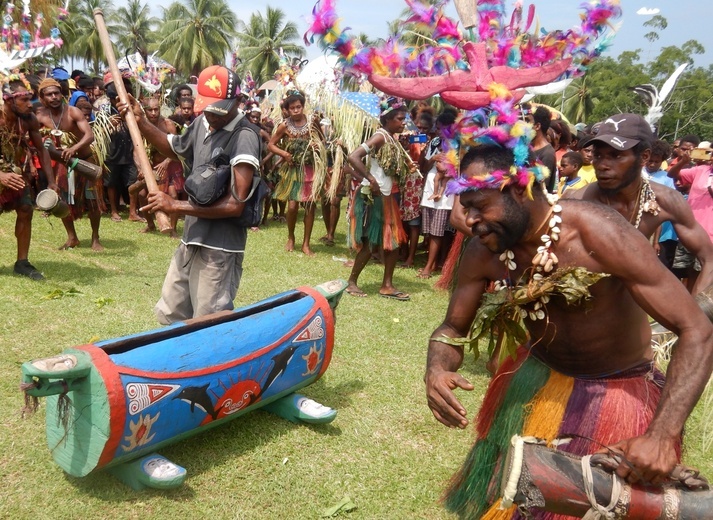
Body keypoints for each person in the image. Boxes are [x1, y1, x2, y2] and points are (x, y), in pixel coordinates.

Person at [425, 140, 713, 520]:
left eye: (479, 205)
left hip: (619, 392)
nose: (468, 220)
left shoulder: (598, 234)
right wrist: (437, 367)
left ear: (518, 188)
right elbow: (452, 327)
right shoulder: (486, 251)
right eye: (466, 207)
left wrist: (661, 436)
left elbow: (696, 329)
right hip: (533, 384)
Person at [118, 65, 261, 324]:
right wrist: (141, 122)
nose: (212, 116)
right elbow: (175, 148)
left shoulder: (245, 137)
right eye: (207, 108)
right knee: (170, 314)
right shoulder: (202, 124)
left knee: (208, 322)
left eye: (219, 110)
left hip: (219, 248)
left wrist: (176, 206)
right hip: (191, 240)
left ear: (237, 102)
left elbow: (235, 206)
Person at [567, 114, 713, 295]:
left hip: (633, 308)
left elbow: (709, 259)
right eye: (598, 155)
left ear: (644, 157)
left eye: (616, 155)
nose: (603, 165)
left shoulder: (666, 200)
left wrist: (700, 307)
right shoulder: (576, 200)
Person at [344, 97, 412, 301]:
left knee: (392, 241)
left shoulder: (392, 138)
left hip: (386, 195)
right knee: (371, 243)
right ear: (388, 119)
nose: (403, 123)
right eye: (400, 119)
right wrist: (370, 178)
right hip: (374, 197)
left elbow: (388, 168)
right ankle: (351, 281)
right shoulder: (380, 136)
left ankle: (387, 285)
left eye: (404, 119)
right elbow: (353, 156)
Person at [0, 77, 58, 280]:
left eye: (29, 98)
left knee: (25, 209)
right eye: (23, 100)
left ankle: (22, 262)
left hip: (15, 173)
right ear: (8, 101)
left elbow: (42, 150)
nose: (29, 104)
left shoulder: (28, 119)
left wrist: (51, 181)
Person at [36, 78, 102, 251]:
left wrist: (74, 148)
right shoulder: (40, 116)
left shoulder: (73, 112)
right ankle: (72, 237)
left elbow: (89, 135)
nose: (54, 97)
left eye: (56, 93)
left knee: (93, 200)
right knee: (63, 200)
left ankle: (95, 238)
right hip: (63, 165)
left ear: (62, 94)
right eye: (49, 94)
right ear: (43, 97)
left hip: (85, 161)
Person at [268, 89, 323, 255]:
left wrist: (317, 145)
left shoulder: (313, 121)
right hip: (292, 170)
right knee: (292, 207)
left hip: (310, 169)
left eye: (299, 107)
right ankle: (291, 237)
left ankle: (306, 243)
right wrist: (285, 154)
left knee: (309, 207)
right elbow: (271, 144)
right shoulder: (284, 125)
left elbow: (323, 140)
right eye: (292, 108)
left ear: (303, 106)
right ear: (287, 109)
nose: (296, 110)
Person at [132, 96, 181, 236]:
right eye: (150, 110)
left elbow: (177, 148)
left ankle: (173, 229)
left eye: (156, 109)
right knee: (142, 194)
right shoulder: (141, 125)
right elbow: (136, 150)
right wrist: (141, 168)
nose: (153, 113)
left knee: (173, 195)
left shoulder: (168, 125)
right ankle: (151, 224)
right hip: (151, 166)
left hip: (170, 165)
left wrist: (166, 162)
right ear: (144, 111)